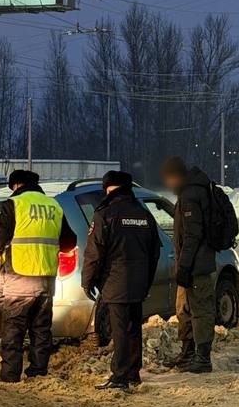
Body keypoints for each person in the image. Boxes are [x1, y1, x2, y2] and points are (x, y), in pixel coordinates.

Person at [0, 169, 77, 383]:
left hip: (20, 276)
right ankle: (38, 371)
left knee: (13, 327)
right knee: (41, 327)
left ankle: (10, 374)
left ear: (16, 185)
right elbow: (70, 242)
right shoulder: (54, 206)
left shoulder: (15, 204)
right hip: (47, 278)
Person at [81, 171, 160, 390]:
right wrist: (146, 280)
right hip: (138, 282)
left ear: (108, 188)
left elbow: (94, 253)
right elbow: (155, 251)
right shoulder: (143, 214)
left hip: (115, 281)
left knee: (120, 330)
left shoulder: (105, 213)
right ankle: (133, 373)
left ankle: (120, 377)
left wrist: (88, 280)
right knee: (133, 327)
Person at [161, 156, 217, 374]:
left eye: (168, 179)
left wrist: (184, 268)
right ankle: (188, 352)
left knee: (200, 311)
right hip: (192, 265)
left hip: (198, 267)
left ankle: (202, 358)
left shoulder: (191, 195)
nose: (167, 184)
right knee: (183, 309)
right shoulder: (188, 193)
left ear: (175, 176)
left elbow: (192, 236)